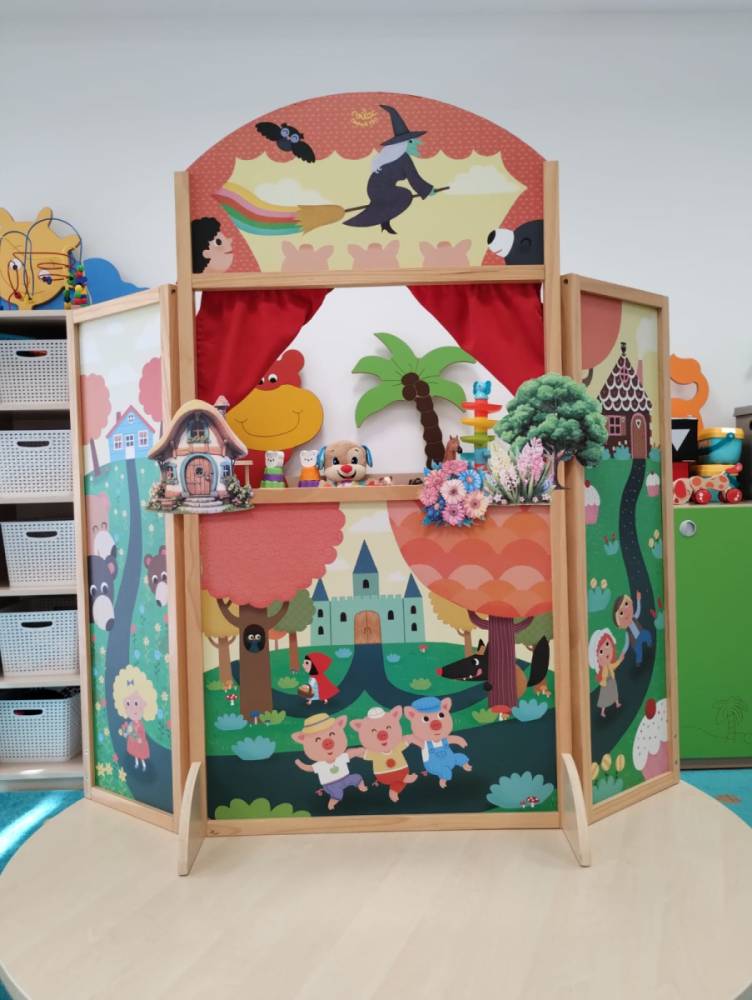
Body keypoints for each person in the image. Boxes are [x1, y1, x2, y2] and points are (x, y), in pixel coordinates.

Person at [344, 105, 436, 235]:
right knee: (404, 195)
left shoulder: (393, 157)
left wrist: (425, 190)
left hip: (374, 189)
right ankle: (383, 220)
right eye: (413, 141)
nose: (418, 144)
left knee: (397, 196)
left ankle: (385, 223)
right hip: (381, 190)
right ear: (404, 144)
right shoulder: (403, 158)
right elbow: (414, 178)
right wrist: (428, 190)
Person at [113, 665, 158, 770]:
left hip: (140, 742)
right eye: (128, 704)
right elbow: (128, 732)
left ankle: (143, 763)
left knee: (141, 753)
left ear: (145, 703)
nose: (132, 708)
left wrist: (138, 737)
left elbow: (140, 733)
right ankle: (137, 762)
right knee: (135, 753)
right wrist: (126, 732)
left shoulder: (140, 724)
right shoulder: (130, 724)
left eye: (136, 703)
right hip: (133, 742)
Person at [589, 628, 627, 718]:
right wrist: (603, 682)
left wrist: (620, 659)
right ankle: (602, 711)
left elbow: (615, 665)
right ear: (597, 659)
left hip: (612, 681)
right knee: (605, 698)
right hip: (606, 684)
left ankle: (617, 703)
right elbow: (601, 679)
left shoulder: (609, 665)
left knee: (614, 693)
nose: (606, 652)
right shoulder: (603, 669)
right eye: (601, 651)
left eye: (607, 644)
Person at [613, 590, 654, 666]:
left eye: (626, 604)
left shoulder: (634, 618)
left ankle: (649, 643)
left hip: (641, 634)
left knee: (647, 634)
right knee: (638, 651)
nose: (626, 612)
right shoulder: (627, 632)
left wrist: (638, 600)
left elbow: (638, 610)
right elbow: (626, 644)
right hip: (636, 642)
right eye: (621, 613)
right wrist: (623, 653)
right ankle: (639, 661)